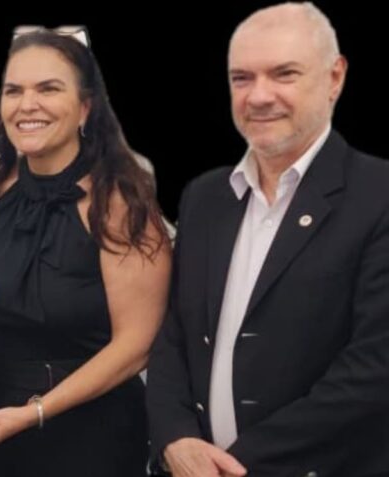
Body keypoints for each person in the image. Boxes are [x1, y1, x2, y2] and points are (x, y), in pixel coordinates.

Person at [146, 3, 389, 476]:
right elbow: (173, 331)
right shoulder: (205, 196)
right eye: (241, 78)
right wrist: (175, 437)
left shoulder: (379, 194)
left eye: (284, 74)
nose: (259, 96)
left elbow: (376, 366)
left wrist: (236, 464)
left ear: (335, 78)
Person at [0, 25, 171, 476]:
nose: (27, 104)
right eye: (13, 91)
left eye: (48, 89)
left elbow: (137, 344)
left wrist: (35, 411)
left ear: (85, 107)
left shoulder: (120, 201)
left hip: (89, 436)